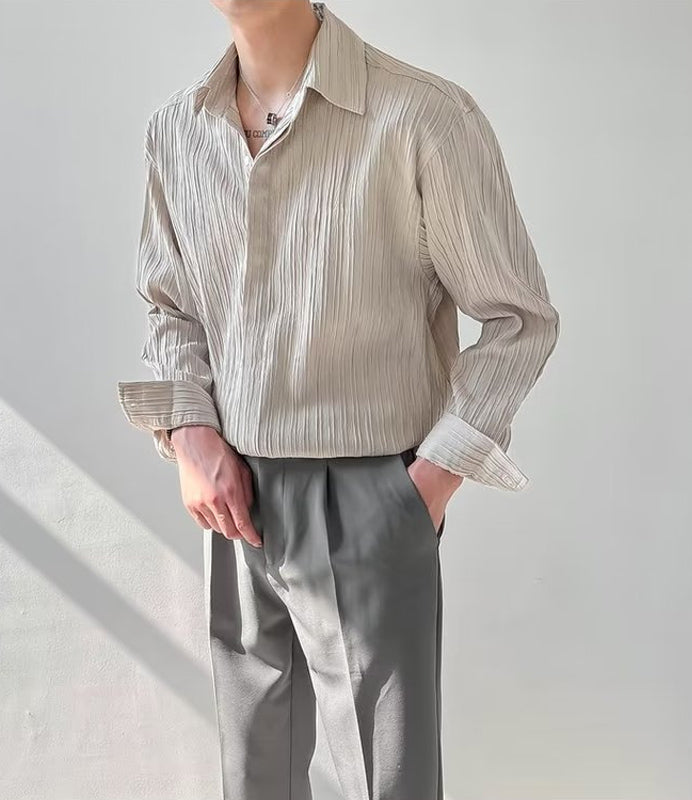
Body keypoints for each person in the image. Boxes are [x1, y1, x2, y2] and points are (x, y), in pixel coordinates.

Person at [116, 1, 560, 798]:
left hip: (370, 493)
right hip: (231, 492)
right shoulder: (176, 132)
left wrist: (423, 484)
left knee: (385, 782)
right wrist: (190, 432)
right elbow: (170, 304)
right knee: (254, 777)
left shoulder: (421, 116)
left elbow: (518, 318)